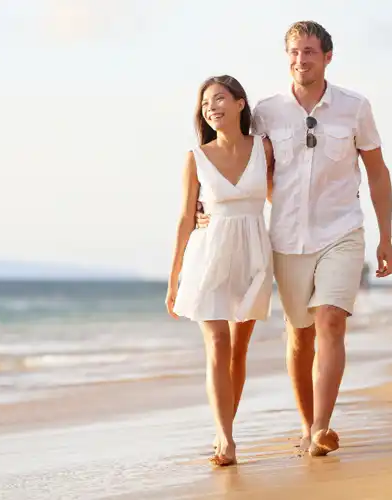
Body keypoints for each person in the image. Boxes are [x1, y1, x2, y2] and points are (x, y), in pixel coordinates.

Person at [195, 21, 392, 457]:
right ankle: (307, 426)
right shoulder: (267, 112)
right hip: (285, 238)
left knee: (330, 320)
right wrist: (207, 207)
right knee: (300, 335)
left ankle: (323, 427)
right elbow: (242, 164)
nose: (300, 60)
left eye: (309, 51)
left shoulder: (354, 107)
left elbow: (378, 174)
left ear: (327, 57)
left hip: (342, 230)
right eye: (293, 52)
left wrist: (386, 236)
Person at [165, 75, 275, 467]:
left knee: (238, 350)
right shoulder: (196, 157)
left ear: (241, 104)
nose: (211, 108)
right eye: (206, 103)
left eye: (220, 99)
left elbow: (283, 195)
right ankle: (226, 439)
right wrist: (174, 276)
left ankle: (224, 427)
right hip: (207, 255)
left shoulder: (264, 149)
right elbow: (184, 218)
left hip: (253, 255)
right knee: (217, 343)